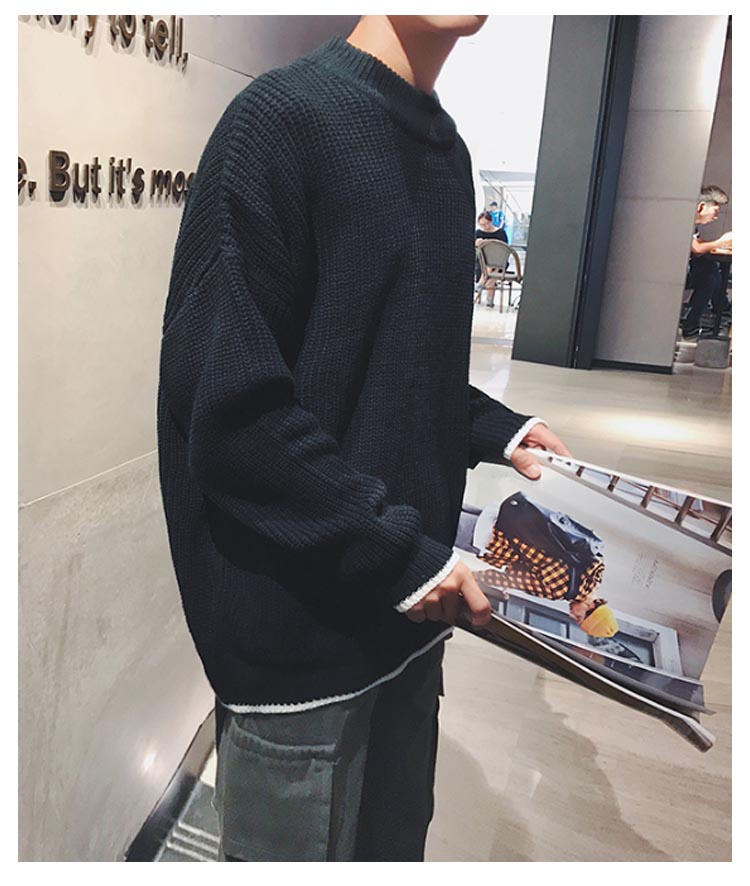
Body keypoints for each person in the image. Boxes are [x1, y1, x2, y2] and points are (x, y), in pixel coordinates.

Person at [157, 15, 570, 862]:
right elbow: (231, 413)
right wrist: (398, 554)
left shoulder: (446, 152)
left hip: (412, 616)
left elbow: (395, 363)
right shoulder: (280, 122)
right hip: (300, 641)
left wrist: (500, 430)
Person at [680, 185, 732, 339]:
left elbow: (699, 243)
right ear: (701, 207)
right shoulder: (686, 221)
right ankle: (720, 309)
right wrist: (721, 242)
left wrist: (717, 245)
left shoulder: (693, 225)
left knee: (711, 270)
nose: (715, 217)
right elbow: (696, 249)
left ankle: (719, 308)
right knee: (710, 275)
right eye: (715, 212)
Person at [475, 209, 509, 307]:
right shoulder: (478, 233)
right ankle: (489, 300)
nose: (485, 226)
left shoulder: (500, 233)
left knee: (491, 263)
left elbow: (505, 249)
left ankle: (481, 282)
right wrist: (477, 243)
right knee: (490, 273)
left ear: (491, 221)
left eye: (487, 223)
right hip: (482, 262)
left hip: (500, 262)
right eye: (482, 225)